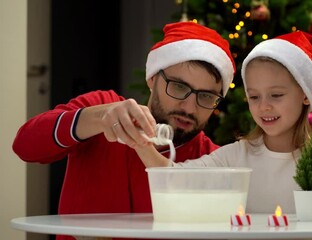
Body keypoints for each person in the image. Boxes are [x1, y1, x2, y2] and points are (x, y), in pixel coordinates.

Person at [12, 22, 235, 240]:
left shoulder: (212, 161)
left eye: (206, 96)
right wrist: (98, 118)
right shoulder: (101, 108)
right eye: (178, 86)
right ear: (152, 78)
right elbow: (25, 146)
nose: (189, 107)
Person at [135, 31, 312, 215]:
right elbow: (172, 178)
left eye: (276, 95)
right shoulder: (235, 156)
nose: (263, 106)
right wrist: (138, 140)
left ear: (306, 95)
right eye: (254, 97)